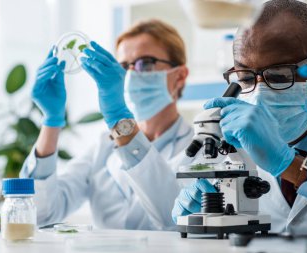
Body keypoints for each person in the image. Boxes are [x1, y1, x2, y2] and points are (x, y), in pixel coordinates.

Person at [172, 0, 307, 235]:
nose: (259, 94)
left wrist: (290, 166)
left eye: (279, 76)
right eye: (245, 78)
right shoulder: (235, 147)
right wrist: (198, 220)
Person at [20, 19, 191, 230]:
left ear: (180, 76)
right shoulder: (103, 148)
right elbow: (39, 214)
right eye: (123, 67)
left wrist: (119, 118)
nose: (130, 75)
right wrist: (51, 122)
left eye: (144, 63)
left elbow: (175, 219)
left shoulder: (202, 149)